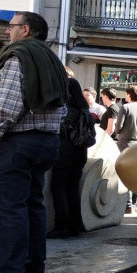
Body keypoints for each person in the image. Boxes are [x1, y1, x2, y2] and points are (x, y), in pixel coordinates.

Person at [0, 11, 69, 273]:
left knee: (11, 209)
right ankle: (33, 268)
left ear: (25, 29)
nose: (6, 32)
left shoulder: (18, 57)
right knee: (33, 205)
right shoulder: (51, 60)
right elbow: (62, 108)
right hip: (44, 141)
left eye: (10, 26)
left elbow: (8, 105)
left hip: (15, 143)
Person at [49, 78, 91, 239]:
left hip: (65, 150)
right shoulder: (84, 108)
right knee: (73, 188)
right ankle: (75, 225)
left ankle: (61, 226)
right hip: (80, 151)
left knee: (58, 187)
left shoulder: (64, 108)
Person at [114, 85, 137, 213]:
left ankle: (127, 203)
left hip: (124, 144)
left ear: (129, 95)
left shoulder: (125, 107)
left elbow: (118, 127)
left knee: (124, 174)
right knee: (135, 175)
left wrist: (118, 132)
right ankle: (133, 203)